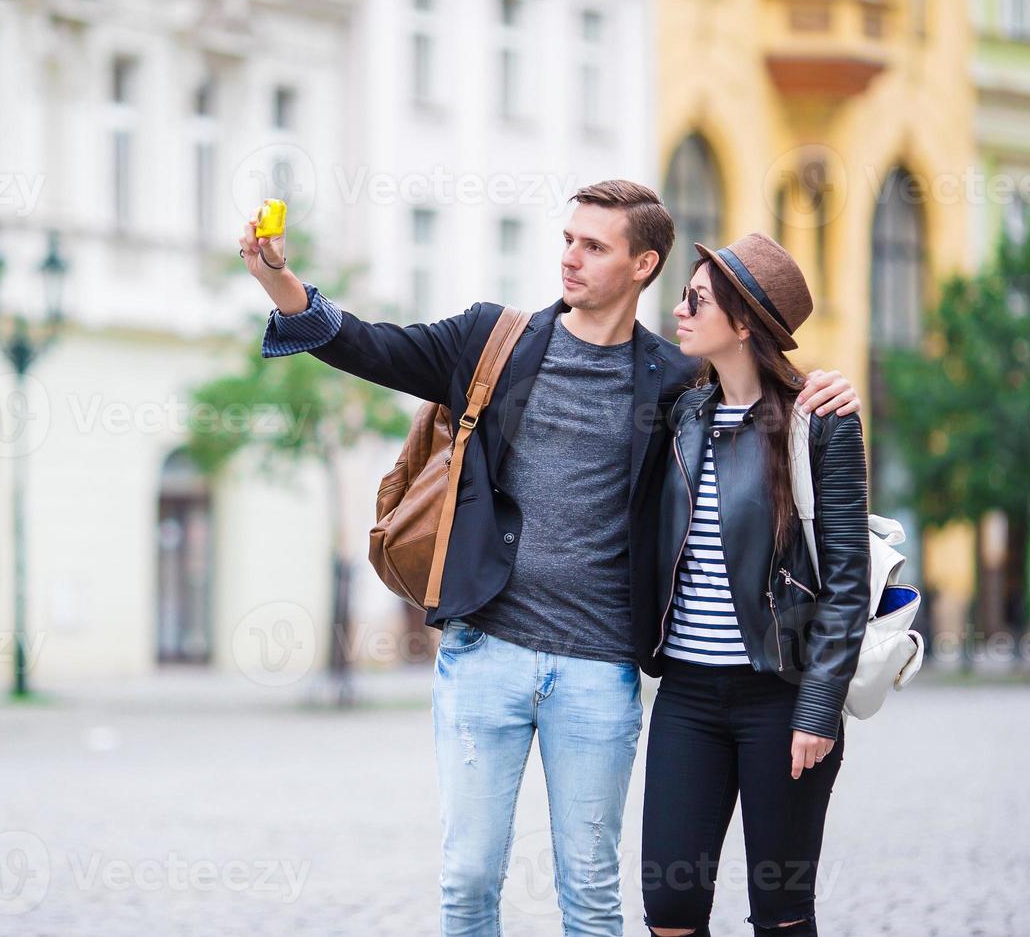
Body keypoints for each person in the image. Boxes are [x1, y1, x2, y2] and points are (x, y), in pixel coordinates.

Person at [239, 184, 861, 937]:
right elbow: (374, 345)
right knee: (468, 879)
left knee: (593, 893)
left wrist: (825, 386)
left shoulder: (673, 381)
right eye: (568, 238)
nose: (570, 256)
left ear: (643, 264)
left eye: (593, 246)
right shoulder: (491, 343)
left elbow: (758, 386)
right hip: (484, 655)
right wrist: (281, 281)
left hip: (600, 670)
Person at [640, 233, 870, 937]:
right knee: (670, 909)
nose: (678, 309)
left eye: (696, 299)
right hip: (686, 696)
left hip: (781, 701)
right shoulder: (683, 414)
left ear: (743, 325)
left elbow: (848, 583)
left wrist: (818, 708)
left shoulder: (820, 425)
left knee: (781, 915)